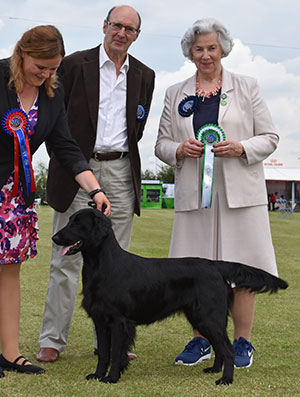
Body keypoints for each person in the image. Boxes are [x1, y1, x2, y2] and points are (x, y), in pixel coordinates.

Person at [155, 18, 279, 369]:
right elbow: (161, 144)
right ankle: (201, 341)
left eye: (211, 48)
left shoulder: (248, 86)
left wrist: (241, 147)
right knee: (192, 272)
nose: (206, 55)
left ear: (223, 48)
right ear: (189, 53)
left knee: (242, 270)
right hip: (195, 197)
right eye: (199, 49)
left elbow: (269, 137)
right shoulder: (175, 92)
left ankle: (242, 343)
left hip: (241, 196)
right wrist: (179, 150)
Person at [36, 5, 155, 363]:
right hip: (77, 168)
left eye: (129, 29)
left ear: (136, 35)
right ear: (105, 26)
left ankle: (111, 340)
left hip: (120, 170)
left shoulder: (145, 75)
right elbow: (53, 116)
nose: (121, 33)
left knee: (115, 263)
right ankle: (52, 340)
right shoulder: (73, 65)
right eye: (116, 25)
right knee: (65, 260)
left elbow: (139, 126)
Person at [0, 25, 111, 377]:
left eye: (53, 68)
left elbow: (64, 146)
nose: (47, 74)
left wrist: (94, 188)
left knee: (8, 273)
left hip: (15, 196)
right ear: (22, 54)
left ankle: (11, 353)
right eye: (40, 67)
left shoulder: (51, 93)